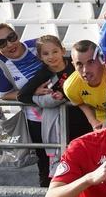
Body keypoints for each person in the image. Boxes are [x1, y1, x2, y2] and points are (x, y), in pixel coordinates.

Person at [0, 22, 49, 184]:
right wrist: (32, 92)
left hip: (65, 112)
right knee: (46, 165)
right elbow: (5, 95)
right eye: (1, 43)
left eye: (11, 37)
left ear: (17, 34)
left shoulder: (37, 46)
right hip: (36, 119)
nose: (10, 44)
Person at [17, 34, 92, 169]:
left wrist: (64, 94)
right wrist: (37, 92)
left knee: (86, 154)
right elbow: (22, 95)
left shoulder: (75, 64)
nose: (51, 56)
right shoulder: (43, 74)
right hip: (62, 124)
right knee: (68, 157)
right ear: (40, 57)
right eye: (46, 54)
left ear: (63, 51)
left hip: (84, 117)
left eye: (55, 51)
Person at [63, 41, 106, 132]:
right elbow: (79, 102)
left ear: (101, 60)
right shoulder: (70, 87)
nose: (85, 70)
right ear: (73, 65)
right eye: (79, 64)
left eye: (90, 62)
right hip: (102, 119)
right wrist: (92, 121)